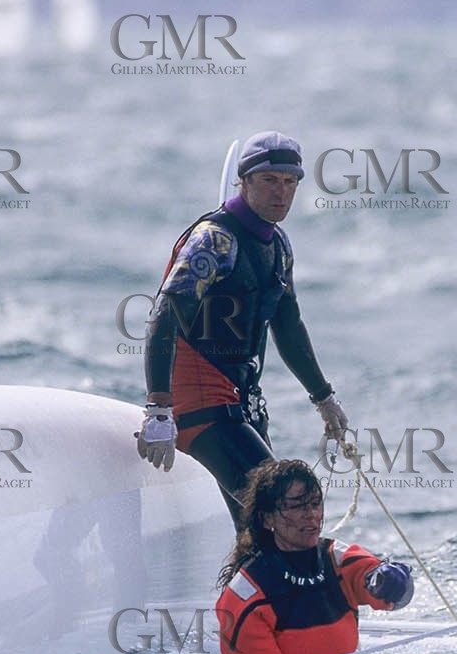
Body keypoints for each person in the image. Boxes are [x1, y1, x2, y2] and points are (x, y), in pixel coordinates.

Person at [136, 132, 348, 527]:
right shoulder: (214, 240)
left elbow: (288, 326)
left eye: (290, 182)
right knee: (288, 511)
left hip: (242, 404)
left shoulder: (278, 245)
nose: (281, 192)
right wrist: (159, 410)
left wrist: (324, 398)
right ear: (244, 181)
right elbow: (164, 316)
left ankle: (255, 570)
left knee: (259, 529)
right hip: (202, 406)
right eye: (269, 180)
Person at [215, 459, 445, 654]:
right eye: (297, 506)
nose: (311, 514)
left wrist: (392, 581)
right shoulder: (245, 595)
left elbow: (380, 586)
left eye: (315, 503)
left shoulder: (337, 560)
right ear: (268, 519)